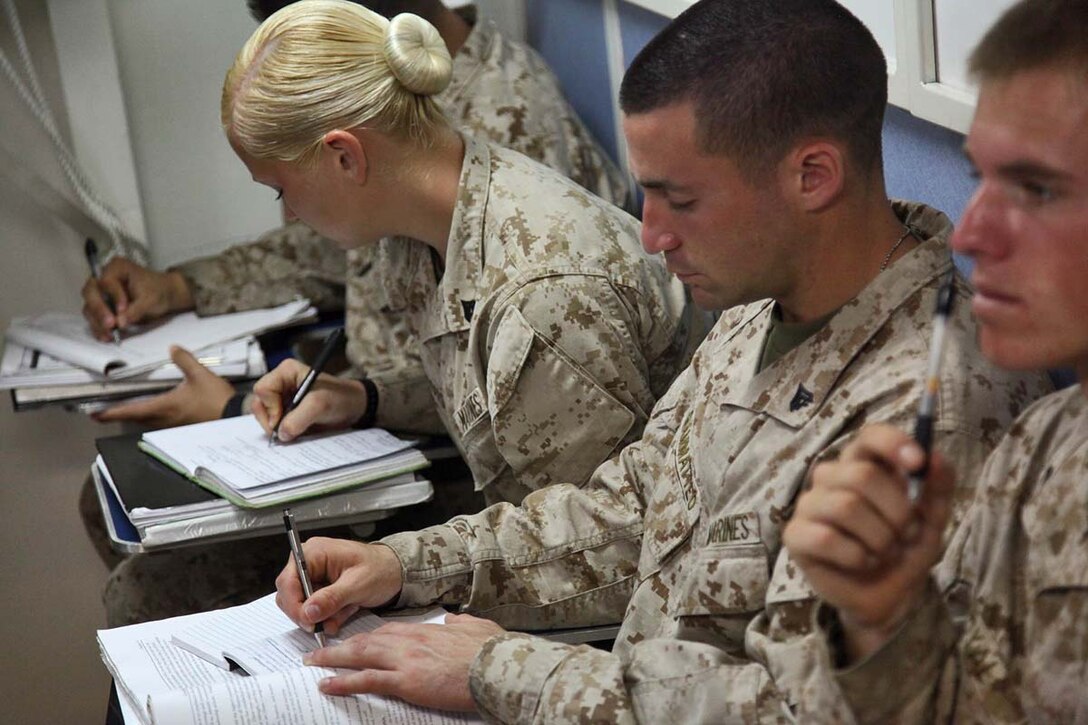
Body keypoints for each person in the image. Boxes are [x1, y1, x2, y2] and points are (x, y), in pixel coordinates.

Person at [266, 0, 1054, 718]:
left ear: (812, 176)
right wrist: (406, 563)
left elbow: (800, 708)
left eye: (681, 198)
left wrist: (498, 668)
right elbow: (633, 503)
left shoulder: (931, 409)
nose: (651, 234)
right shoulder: (758, 303)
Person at [100, 0, 703, 627]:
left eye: (282, 190)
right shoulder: (432, 211)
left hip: (593, 588)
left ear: (344, 157)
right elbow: (491, 394)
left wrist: (403, 571)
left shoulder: (539, 292)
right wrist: (366, 398)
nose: (293, 213)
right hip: (516, 540)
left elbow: (599, 546)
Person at [782, 0, 1088, 720]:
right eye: (979, 177)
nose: (971, 231)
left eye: (1037, 188)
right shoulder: (1038, 448)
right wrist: (881, 621)